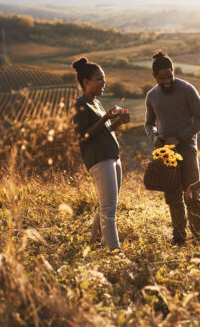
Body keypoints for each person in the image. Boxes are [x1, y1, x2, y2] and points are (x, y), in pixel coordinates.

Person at [145, 51, 200, 246]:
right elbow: (148, 124)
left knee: (192, 194)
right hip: (166, 154)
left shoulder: (187, 89)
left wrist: (179, 138)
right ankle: (179, 238)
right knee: (173, 197)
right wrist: (154, 136)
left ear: (173, 71)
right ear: (154, 76)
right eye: (162, 78)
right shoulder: (152, 96)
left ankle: (198, 239)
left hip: (188, 149)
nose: (167, 81)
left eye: (170, 76)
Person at [71, 57, 130, 252]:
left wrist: (117, 123)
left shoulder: (97, 103)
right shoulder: (79, 105)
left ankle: (94, 242)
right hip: (99, 160)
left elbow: (103, 131)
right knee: (108, 210)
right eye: (99, 79)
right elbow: (83, 136)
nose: (104, 83)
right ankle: (115, 252)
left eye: (104, 79)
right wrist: (105, 118)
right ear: (86, 82)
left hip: (112, 157)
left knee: (107, 204)